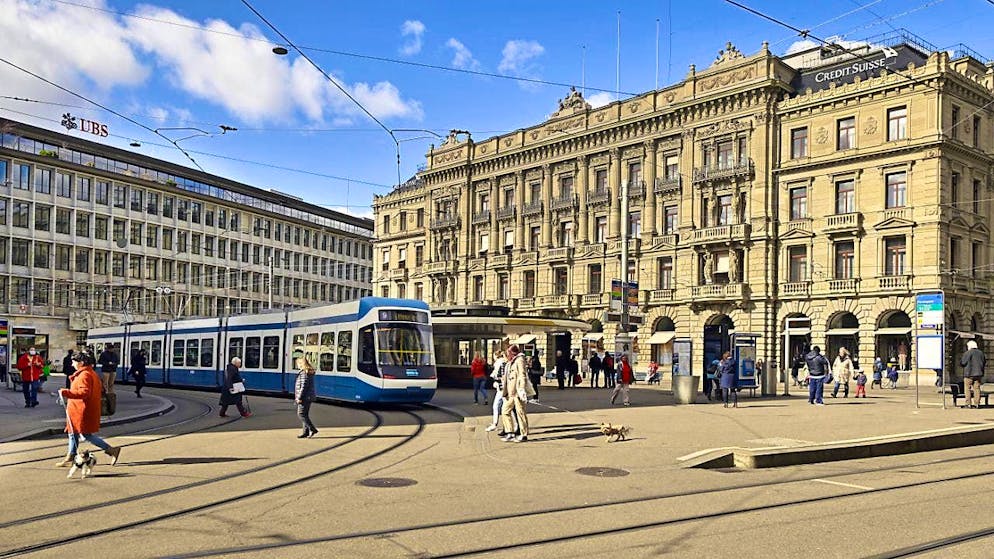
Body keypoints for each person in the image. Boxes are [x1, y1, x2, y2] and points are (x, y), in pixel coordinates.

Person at [56, 351, 121, 467]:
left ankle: (111, 450)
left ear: (81, 363)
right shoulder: (90, 373)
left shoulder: (84, 375)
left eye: (73, 362)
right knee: (73, 433)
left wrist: (66, 392)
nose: (72, 364)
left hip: (81, 410)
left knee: (86, 434)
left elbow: (84, 392)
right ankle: (70, 456)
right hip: (80, 409)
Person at [500, 344, 532, 442]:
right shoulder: (511, 362)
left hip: (517, 392)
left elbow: (522, 375)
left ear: (512, 353)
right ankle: (510, 432)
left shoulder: (520, 360)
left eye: (508, 353)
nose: (507, 355)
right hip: (511, 393)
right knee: (505, 411)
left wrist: (522, 389)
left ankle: (524, 434)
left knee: (520, 412)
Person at [294, 357, 318, 438]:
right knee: (305, 414)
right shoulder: (307, 372)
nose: (297, 365)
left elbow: (303, 386)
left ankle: (312, 429)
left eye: (297, 363)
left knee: (301, 414)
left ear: (301, 363)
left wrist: (299, 397)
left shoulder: (304, 373)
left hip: (305, 397)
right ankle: (305, 432)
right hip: (308, 397)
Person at [486, 350, 509, 433]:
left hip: (502, 388)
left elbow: (498, 375)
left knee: (499, 406)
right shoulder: (503, 363)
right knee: (505, 407)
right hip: (503, 388)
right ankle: (507, 426)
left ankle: (498, 425)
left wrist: (496, 380)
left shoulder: (499, 363)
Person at [960, 340, 986, 409]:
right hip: (978, 374)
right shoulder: (981, 353)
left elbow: (963, 362)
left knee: (967, 388)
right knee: (977, 389)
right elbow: (984, 362)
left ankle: (968, 404)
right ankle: (977, 404)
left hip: (968, 374)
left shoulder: (967, 353)